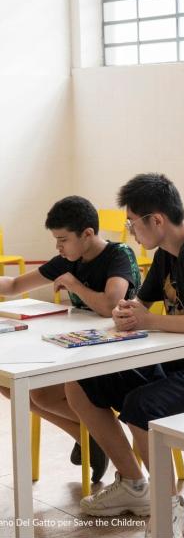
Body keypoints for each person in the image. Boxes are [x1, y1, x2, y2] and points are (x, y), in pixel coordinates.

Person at [64, 174, 184, 538]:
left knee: (141, 407)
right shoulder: (169, 254)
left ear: (156, 220)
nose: (132, 232)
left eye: (132, 223)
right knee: (85, 383)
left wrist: (149, 320)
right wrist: (127, 310)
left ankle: (168, 509)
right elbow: (142, 303)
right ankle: (134, 485)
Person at [0, 195, 142, 483]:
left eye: (63, 239)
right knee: (11, 384)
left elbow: (109, 305)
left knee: (40, 392)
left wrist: (75, 284)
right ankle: (91, 437)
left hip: (120, 353)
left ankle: (100, 437)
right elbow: (14, 285)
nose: (58, 247)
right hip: (78, 346)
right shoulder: (68, 258)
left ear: (87, 234)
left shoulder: (119, 255)